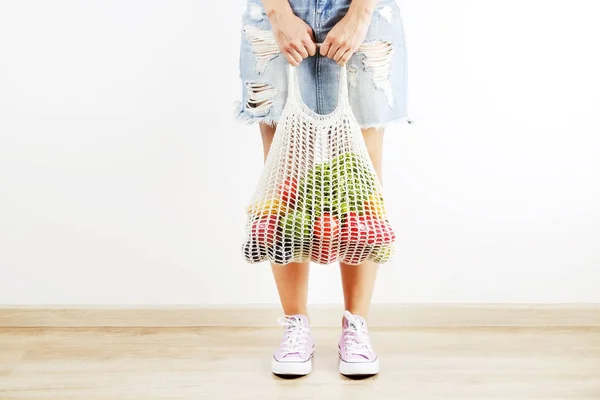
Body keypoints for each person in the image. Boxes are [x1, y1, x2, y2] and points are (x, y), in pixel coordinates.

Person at [236, 0, 408, 377]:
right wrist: (279, 14)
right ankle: (295, 324)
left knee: (359, 181)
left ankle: (356, 325)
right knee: (284, 181)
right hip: (276, 12)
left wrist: (360, 14)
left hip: (364, 10)